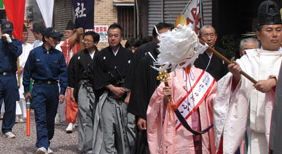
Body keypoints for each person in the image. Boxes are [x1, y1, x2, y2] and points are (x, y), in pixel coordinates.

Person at [214, 0, 282, 154]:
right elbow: (234, 87)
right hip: (256, 129)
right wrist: (237, 76)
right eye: (269, 30)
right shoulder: (249, 58)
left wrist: (273, 82)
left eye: (278, 29)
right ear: (258, 34)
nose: (275, 34)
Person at [147, 24, 216, 154]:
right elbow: (155, 106)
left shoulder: (204, 76)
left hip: (201, 125)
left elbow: (213, 97)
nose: (188, 54)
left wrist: (218, 100)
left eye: (190, 49)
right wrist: (165, 99)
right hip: (178, 127)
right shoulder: (170, 77)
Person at [128, 23, 173, 153]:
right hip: (152, 109)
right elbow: (140, 89)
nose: (166, 39)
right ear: (154, 38)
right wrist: (141, 116)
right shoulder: (147, 59)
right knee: (149, 143)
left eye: (169, 36)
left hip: (173, 110)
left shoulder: (177, 60)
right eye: (162, 36)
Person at [23, 27, 67, 154]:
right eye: (54, 38)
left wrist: (62, 91)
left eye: (58, 38)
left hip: (53, 88)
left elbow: (63, 74)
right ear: (46, 38)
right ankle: (42, 145)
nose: (57, 41)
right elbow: (27, 73)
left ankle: (46, 142)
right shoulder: (35, 53)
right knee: (40, 117)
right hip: (39, 88)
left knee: (50, 118)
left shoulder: (58, 55)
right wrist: (27, 90)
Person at [92, 23, 135, 154]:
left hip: (125, 98)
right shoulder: (101, 55)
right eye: (110, 35)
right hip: (108, 96)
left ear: (121, 37)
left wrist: (128, 94)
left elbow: (133, 75)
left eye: (116, 35)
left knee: (126, 129)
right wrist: (112, 88)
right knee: (107, 129)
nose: (113, 38)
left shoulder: (129, 55)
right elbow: (98, 75)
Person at [68, 31, 100, 153]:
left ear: (95, 42)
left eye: (88, 40)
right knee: (84, 115)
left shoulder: (101, 55)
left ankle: (96, 143)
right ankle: (85, 145)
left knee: (96, 115)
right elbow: (71, 73)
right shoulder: (78, 56)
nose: (85, 43)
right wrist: (72, 90)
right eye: (84, 40)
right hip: (83, 87)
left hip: (97, 88)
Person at [59, 20, 84, 133]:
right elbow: (66, 45)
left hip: (84, 74)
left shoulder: (84, 42)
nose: (66, 35)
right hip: (71, 74)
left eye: (68, 32)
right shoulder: (68, 43)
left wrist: (81, 34)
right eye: (66, 32)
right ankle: (71, 121)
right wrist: (77, 34)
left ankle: (82, 120)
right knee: (71, 98)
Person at [15, 25, 33, 123]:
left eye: (26, 34)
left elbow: (30, 60)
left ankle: (24, 114)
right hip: (15, 73)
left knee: (24, 94)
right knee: (15, 95)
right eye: (23, 34)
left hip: (25, 73)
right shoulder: (15, 45)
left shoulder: (30, 47)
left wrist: (23, 68)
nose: (25, 36)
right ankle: (16, 114)